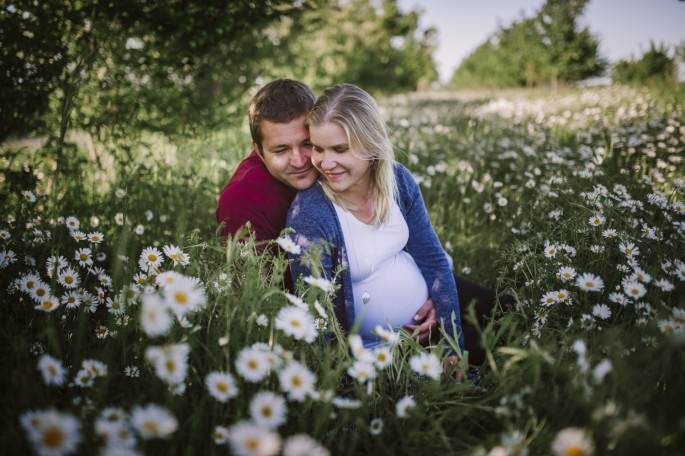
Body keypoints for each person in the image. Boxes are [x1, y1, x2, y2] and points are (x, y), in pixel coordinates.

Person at [217, 78, 511, 365]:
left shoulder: (391, 177)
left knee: (508, 315)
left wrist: (437, 303)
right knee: (490, 347)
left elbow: (425, 254)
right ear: (258, 150)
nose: (304, 160)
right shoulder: (259, 204)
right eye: (282, 150)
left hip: (420, 303)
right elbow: (272, 305)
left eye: (309, 144)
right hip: (380, 346)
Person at [285, 83, 464, 354]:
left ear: (371, 144)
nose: (325, 163)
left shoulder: (398, 180)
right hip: (376, 358)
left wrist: (453, 344)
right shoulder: (311, 214)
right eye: (318, 148)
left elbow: (432, 258)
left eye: (339, 149)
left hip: (432, 328)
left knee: (509, 314)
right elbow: (319, 317)